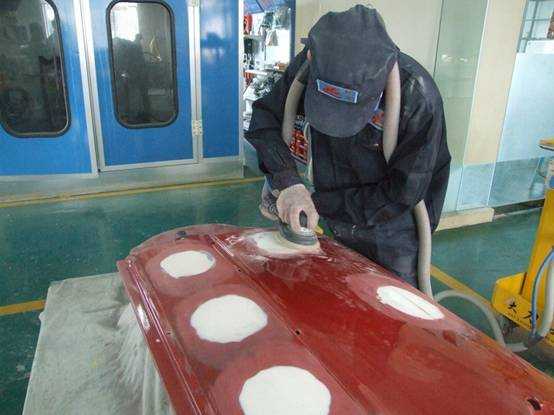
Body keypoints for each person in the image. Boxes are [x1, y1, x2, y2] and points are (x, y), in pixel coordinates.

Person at [245, 5, 451, 288]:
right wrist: (289, 183)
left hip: (394, 229)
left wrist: (318, 202)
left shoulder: (417, 96)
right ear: (311, 56)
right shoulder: (312, 66)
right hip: (336, 213)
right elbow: (266, 118)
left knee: (388, 303)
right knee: (342, 291)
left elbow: (404, 192)